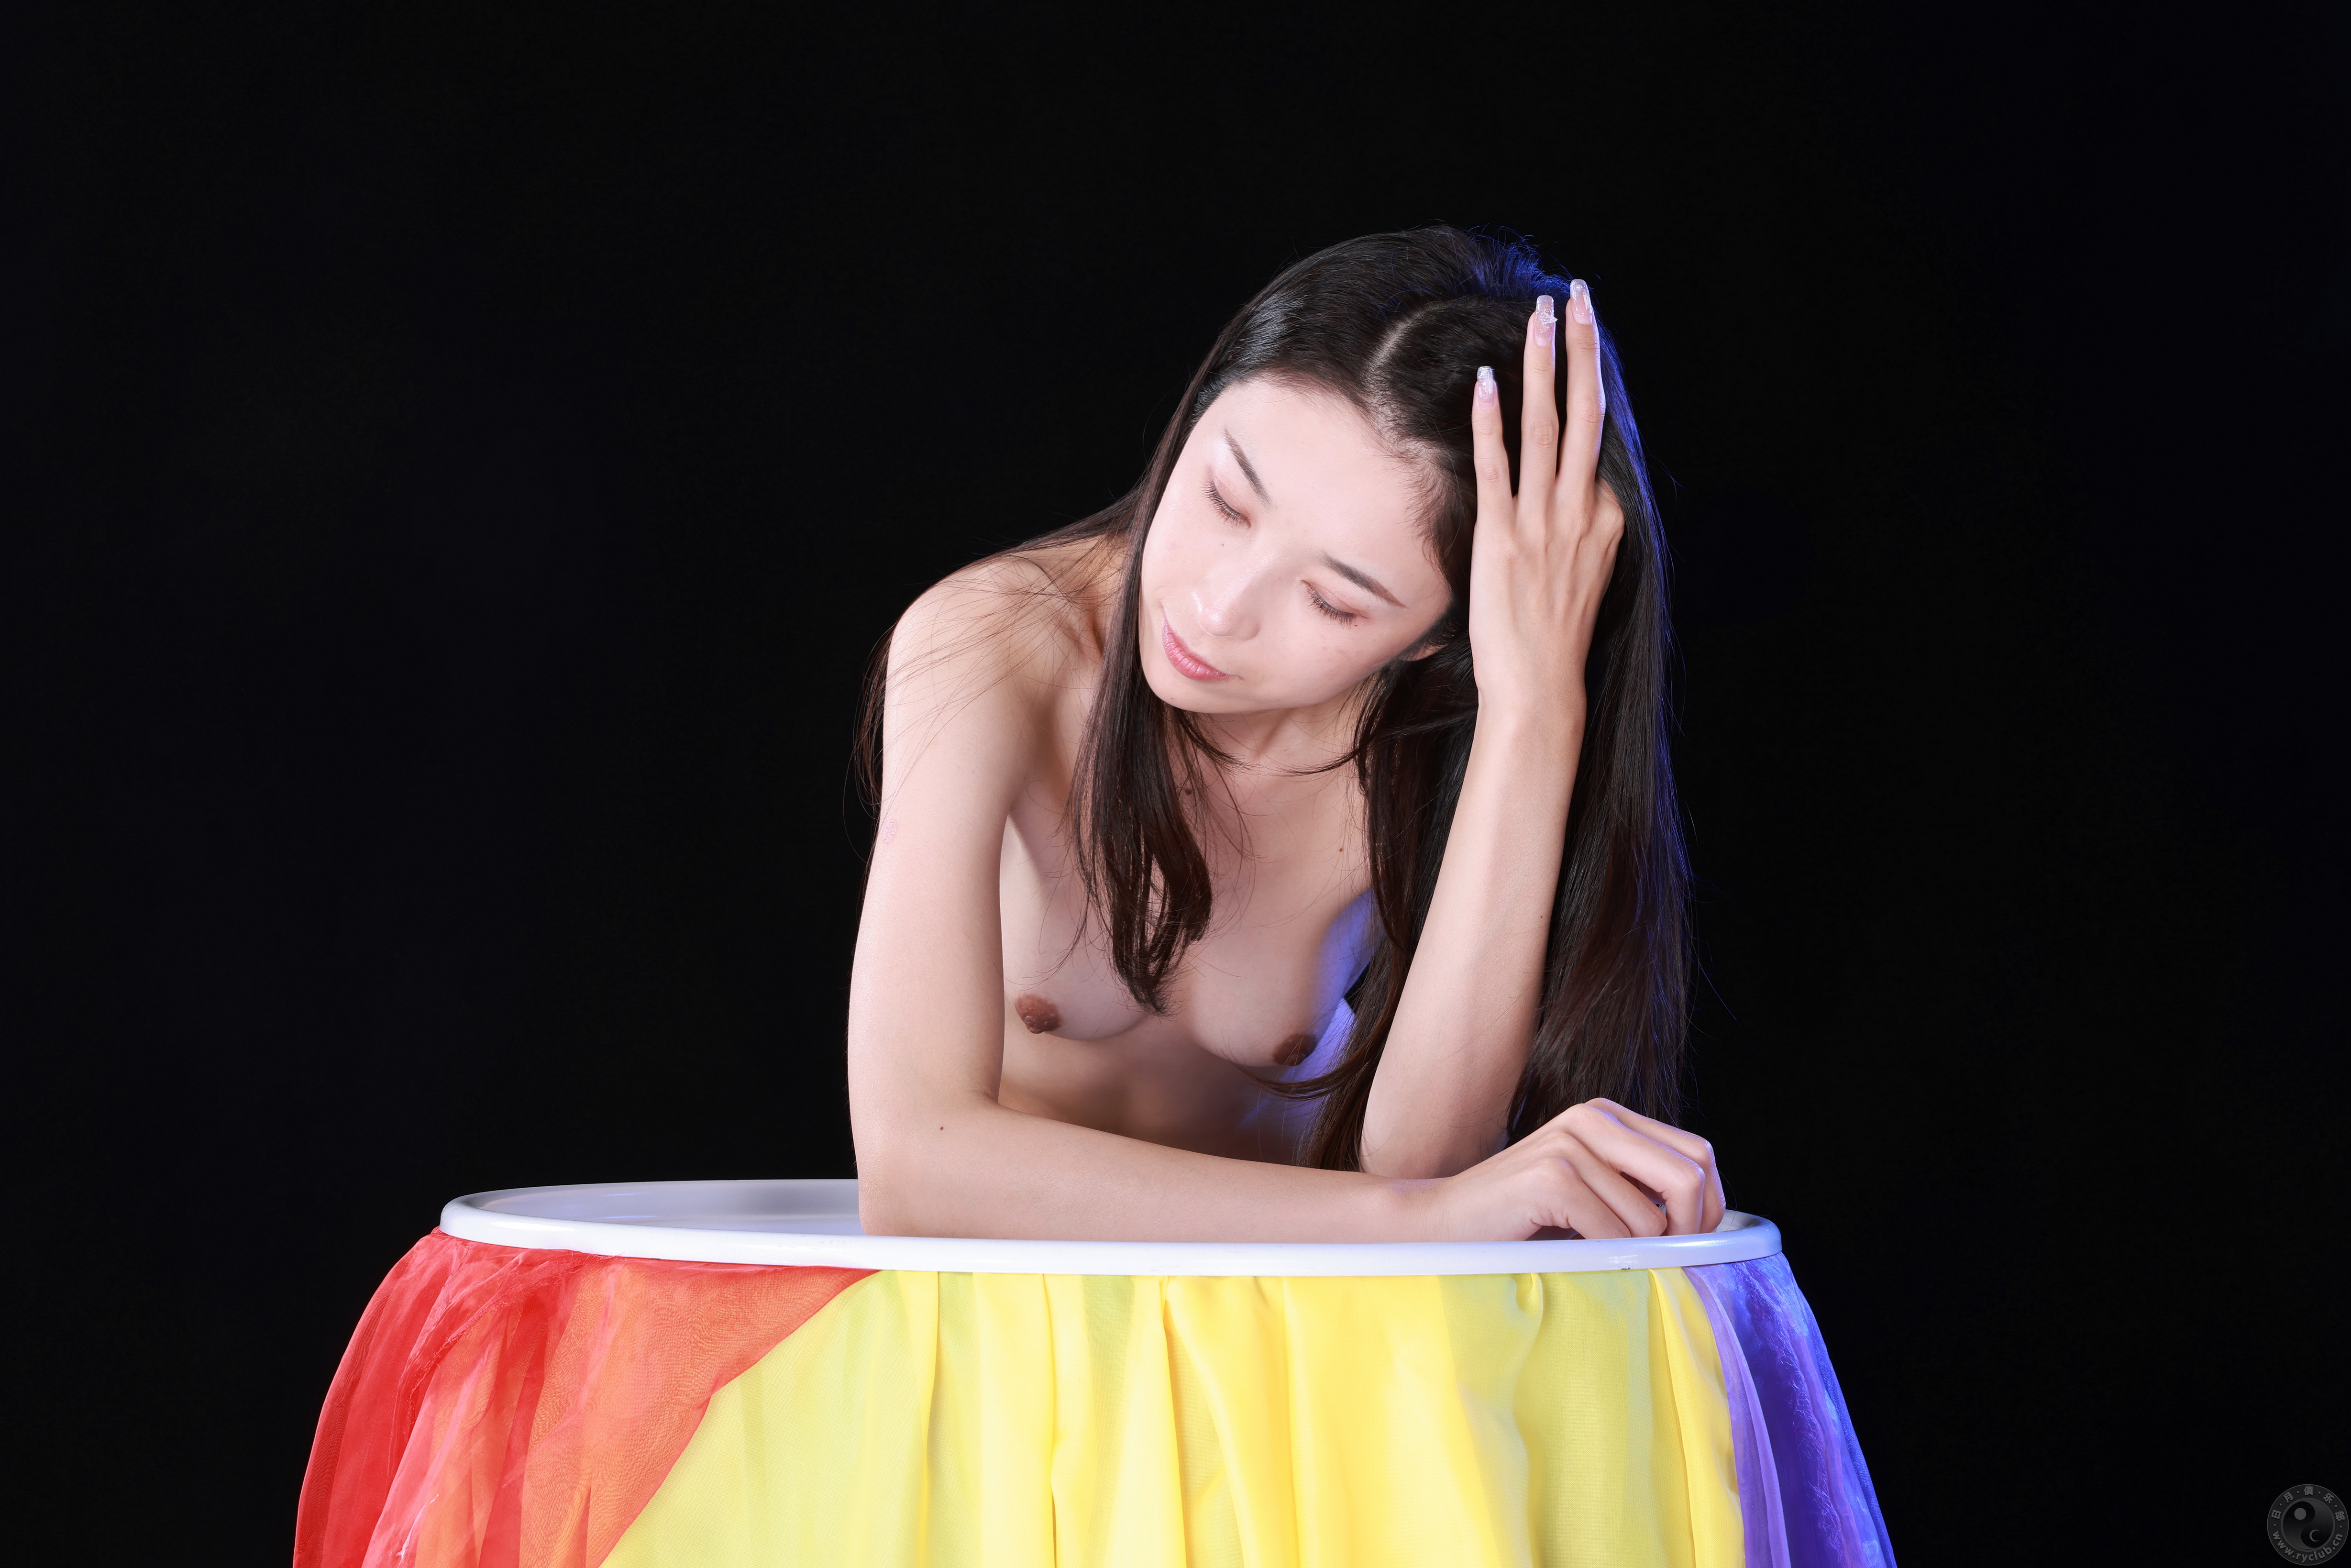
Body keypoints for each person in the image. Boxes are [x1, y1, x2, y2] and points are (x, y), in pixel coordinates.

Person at [848, 227, 1726, 1243]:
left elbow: (1426, 1163)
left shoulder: (1427, 735)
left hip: (1294, 1316)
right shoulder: (994, 643)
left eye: (1333, 601)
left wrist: (1535, 707)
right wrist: (1413, 1219)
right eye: (1226, 499)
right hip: (1010, 1306)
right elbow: (914, 1168)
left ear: (1438, 638)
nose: (1217, 610)